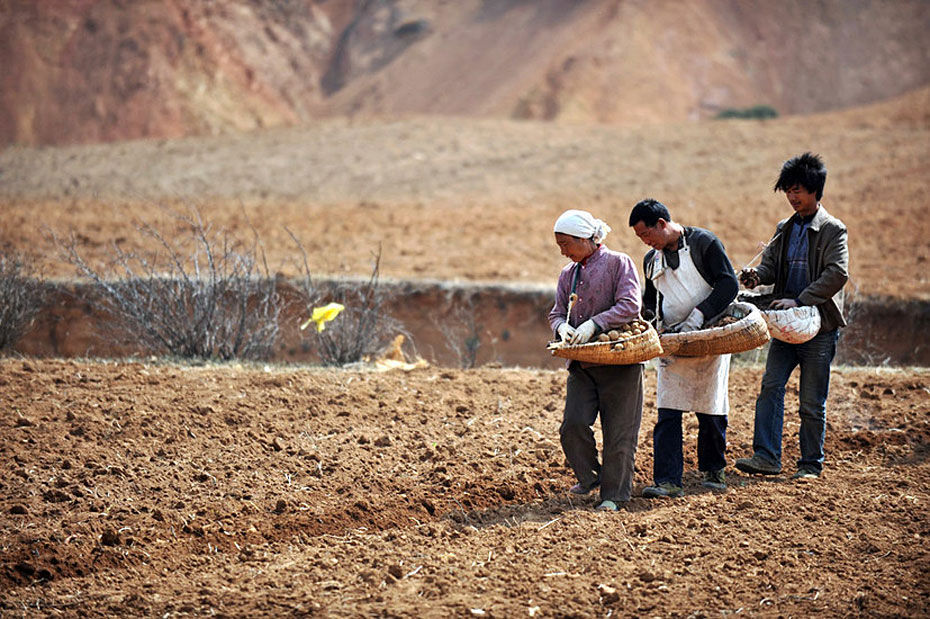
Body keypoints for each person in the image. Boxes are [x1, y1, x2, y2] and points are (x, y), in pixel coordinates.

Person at [735, 153, 849, 479]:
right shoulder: (784, 228)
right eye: (788, 190)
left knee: (812, 401)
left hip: (819, 327)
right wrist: (755, 276)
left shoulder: (832, 230)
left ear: (815, 190)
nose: (792, 197)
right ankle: (766, 457)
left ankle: (810, 465)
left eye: (797, 189)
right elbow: (769, 268)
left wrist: (799, 299)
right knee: (771, 387)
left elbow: (837, 273)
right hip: (785, 327)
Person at [629, 199, 739, 498]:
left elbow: (729, 284)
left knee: (711, 407)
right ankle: (667, 480)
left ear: (662, 224)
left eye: (646, 235)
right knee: (668, 409)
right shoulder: (652, 259)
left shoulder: (705, 243)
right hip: (672, 341)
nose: (646, 242)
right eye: (640, 238)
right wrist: (650, 323)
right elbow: (650, 298)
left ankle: (714, 469)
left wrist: (699, 315)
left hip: (710, 335)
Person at [548, 209, 644, 512]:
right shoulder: (568, 274)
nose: (563, 250)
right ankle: (591, 478)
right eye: (559, 244)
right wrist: (562, 326)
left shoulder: (618, 263)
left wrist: (595, 324)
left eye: (566, 243)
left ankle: (614, 496)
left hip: (619, 362)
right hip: (582, 364)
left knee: (619, 432)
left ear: (585, 239)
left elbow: (630, 305)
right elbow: (557, 311)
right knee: (572, 425)